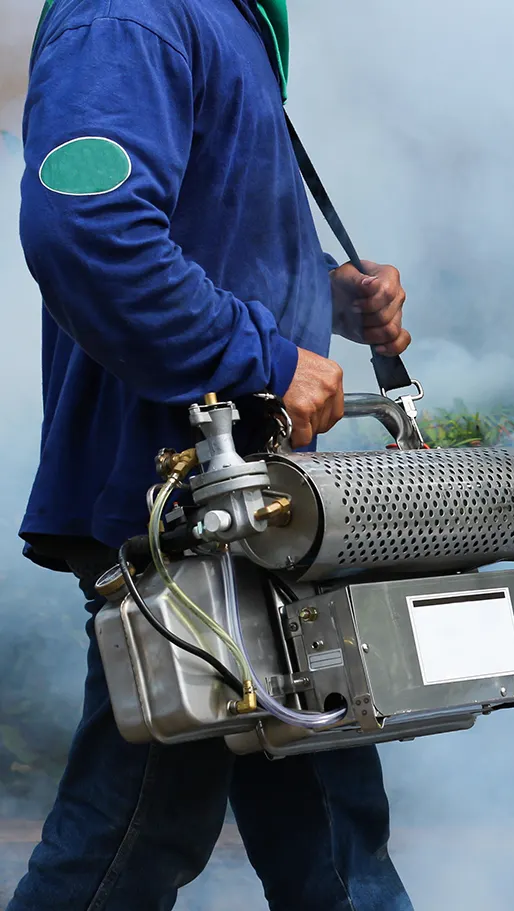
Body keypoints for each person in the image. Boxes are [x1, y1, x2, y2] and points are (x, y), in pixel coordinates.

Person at [9, 0, 415, 908]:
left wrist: (325, 288)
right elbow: (89, 231)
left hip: (250, 508)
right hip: (185, 509)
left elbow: (209, 231)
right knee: (135, 836)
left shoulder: (219, 15)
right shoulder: (128, 13)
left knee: (333, 833)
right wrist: (262, 357)